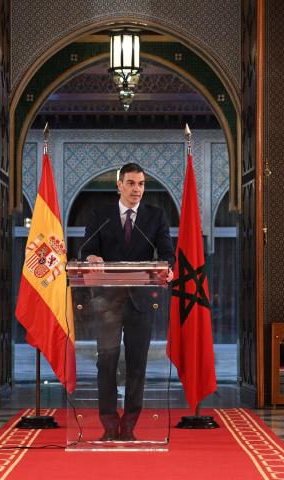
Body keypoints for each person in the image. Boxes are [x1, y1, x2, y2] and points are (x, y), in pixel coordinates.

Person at [81, 162, 174, 441]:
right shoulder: (100, 215)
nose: (137, 189)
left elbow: (167, 253)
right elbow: (87, 248)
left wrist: (167, 267)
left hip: (140, 301)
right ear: (119, 185)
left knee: (137, 365)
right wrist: (91, 257)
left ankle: (130, 426)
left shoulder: (156, 216)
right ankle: (109, 426)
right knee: (106, 364)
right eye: (131, 183)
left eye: (141, 184)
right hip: (107, 302)